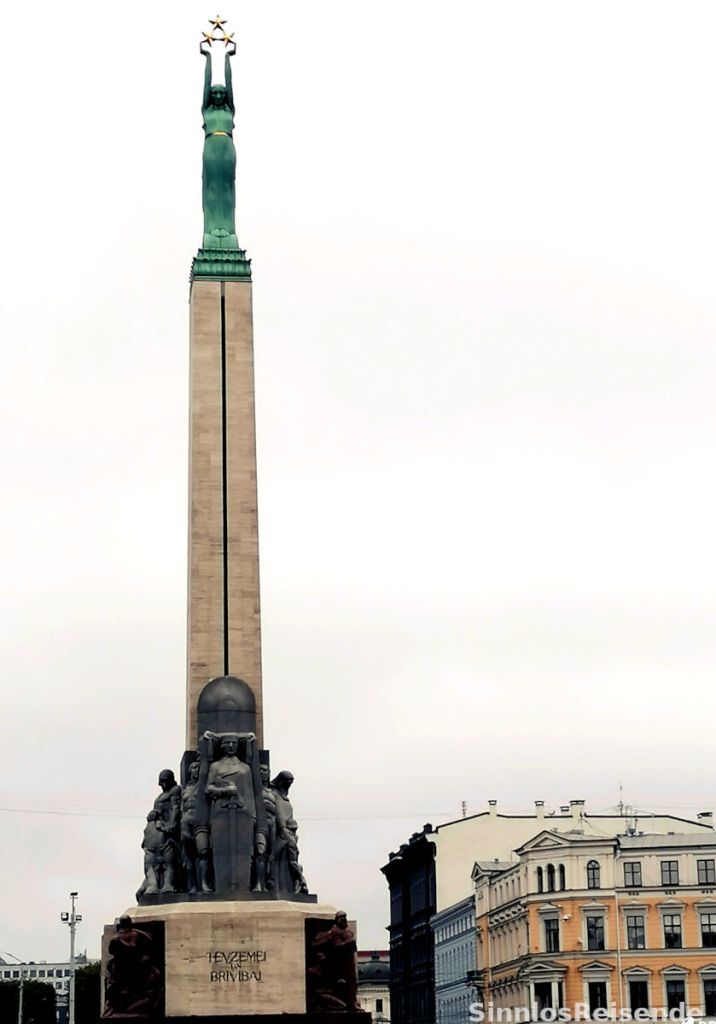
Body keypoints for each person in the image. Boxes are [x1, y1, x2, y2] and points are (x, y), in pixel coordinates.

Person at [199, 40, 238, 248]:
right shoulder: (208, 111)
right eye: (215, 92)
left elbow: (230, 85)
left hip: (227, 148)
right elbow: (206, 84)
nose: (219, 94)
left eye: (221, 92)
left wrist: (227, 59)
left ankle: (229, 229)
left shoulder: (228, 111)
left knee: (228, 188)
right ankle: (212, 229)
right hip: (211, 147)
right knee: (212, 189)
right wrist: (208, 58)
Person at [104, 915, 162, 1016]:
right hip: (119, 964)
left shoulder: (133, 933)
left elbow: (132, 947)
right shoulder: (116, 936)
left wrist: (120, 942)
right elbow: (110, 951)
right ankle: (115, 1005)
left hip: (130, 962)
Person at [181, 760, 212, 893]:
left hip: (200, 820)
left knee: (203, 852)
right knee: (189, 857)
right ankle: (192, 885)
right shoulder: (186, 788)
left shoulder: (204, 784)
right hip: (186, 821)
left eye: (198, 768)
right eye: (193, 768)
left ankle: (204, 883)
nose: (195, 770)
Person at [151, 769, 181, 893]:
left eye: (165, 782)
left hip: (172, 831)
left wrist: (172, 825)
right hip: (160, 831)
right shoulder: (159, 798)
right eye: (161, 782)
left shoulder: (175, 790)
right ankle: (159, 884)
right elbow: (155, 814)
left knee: (170, 858)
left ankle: (170, 884)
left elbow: (175, 808)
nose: (162, 785)